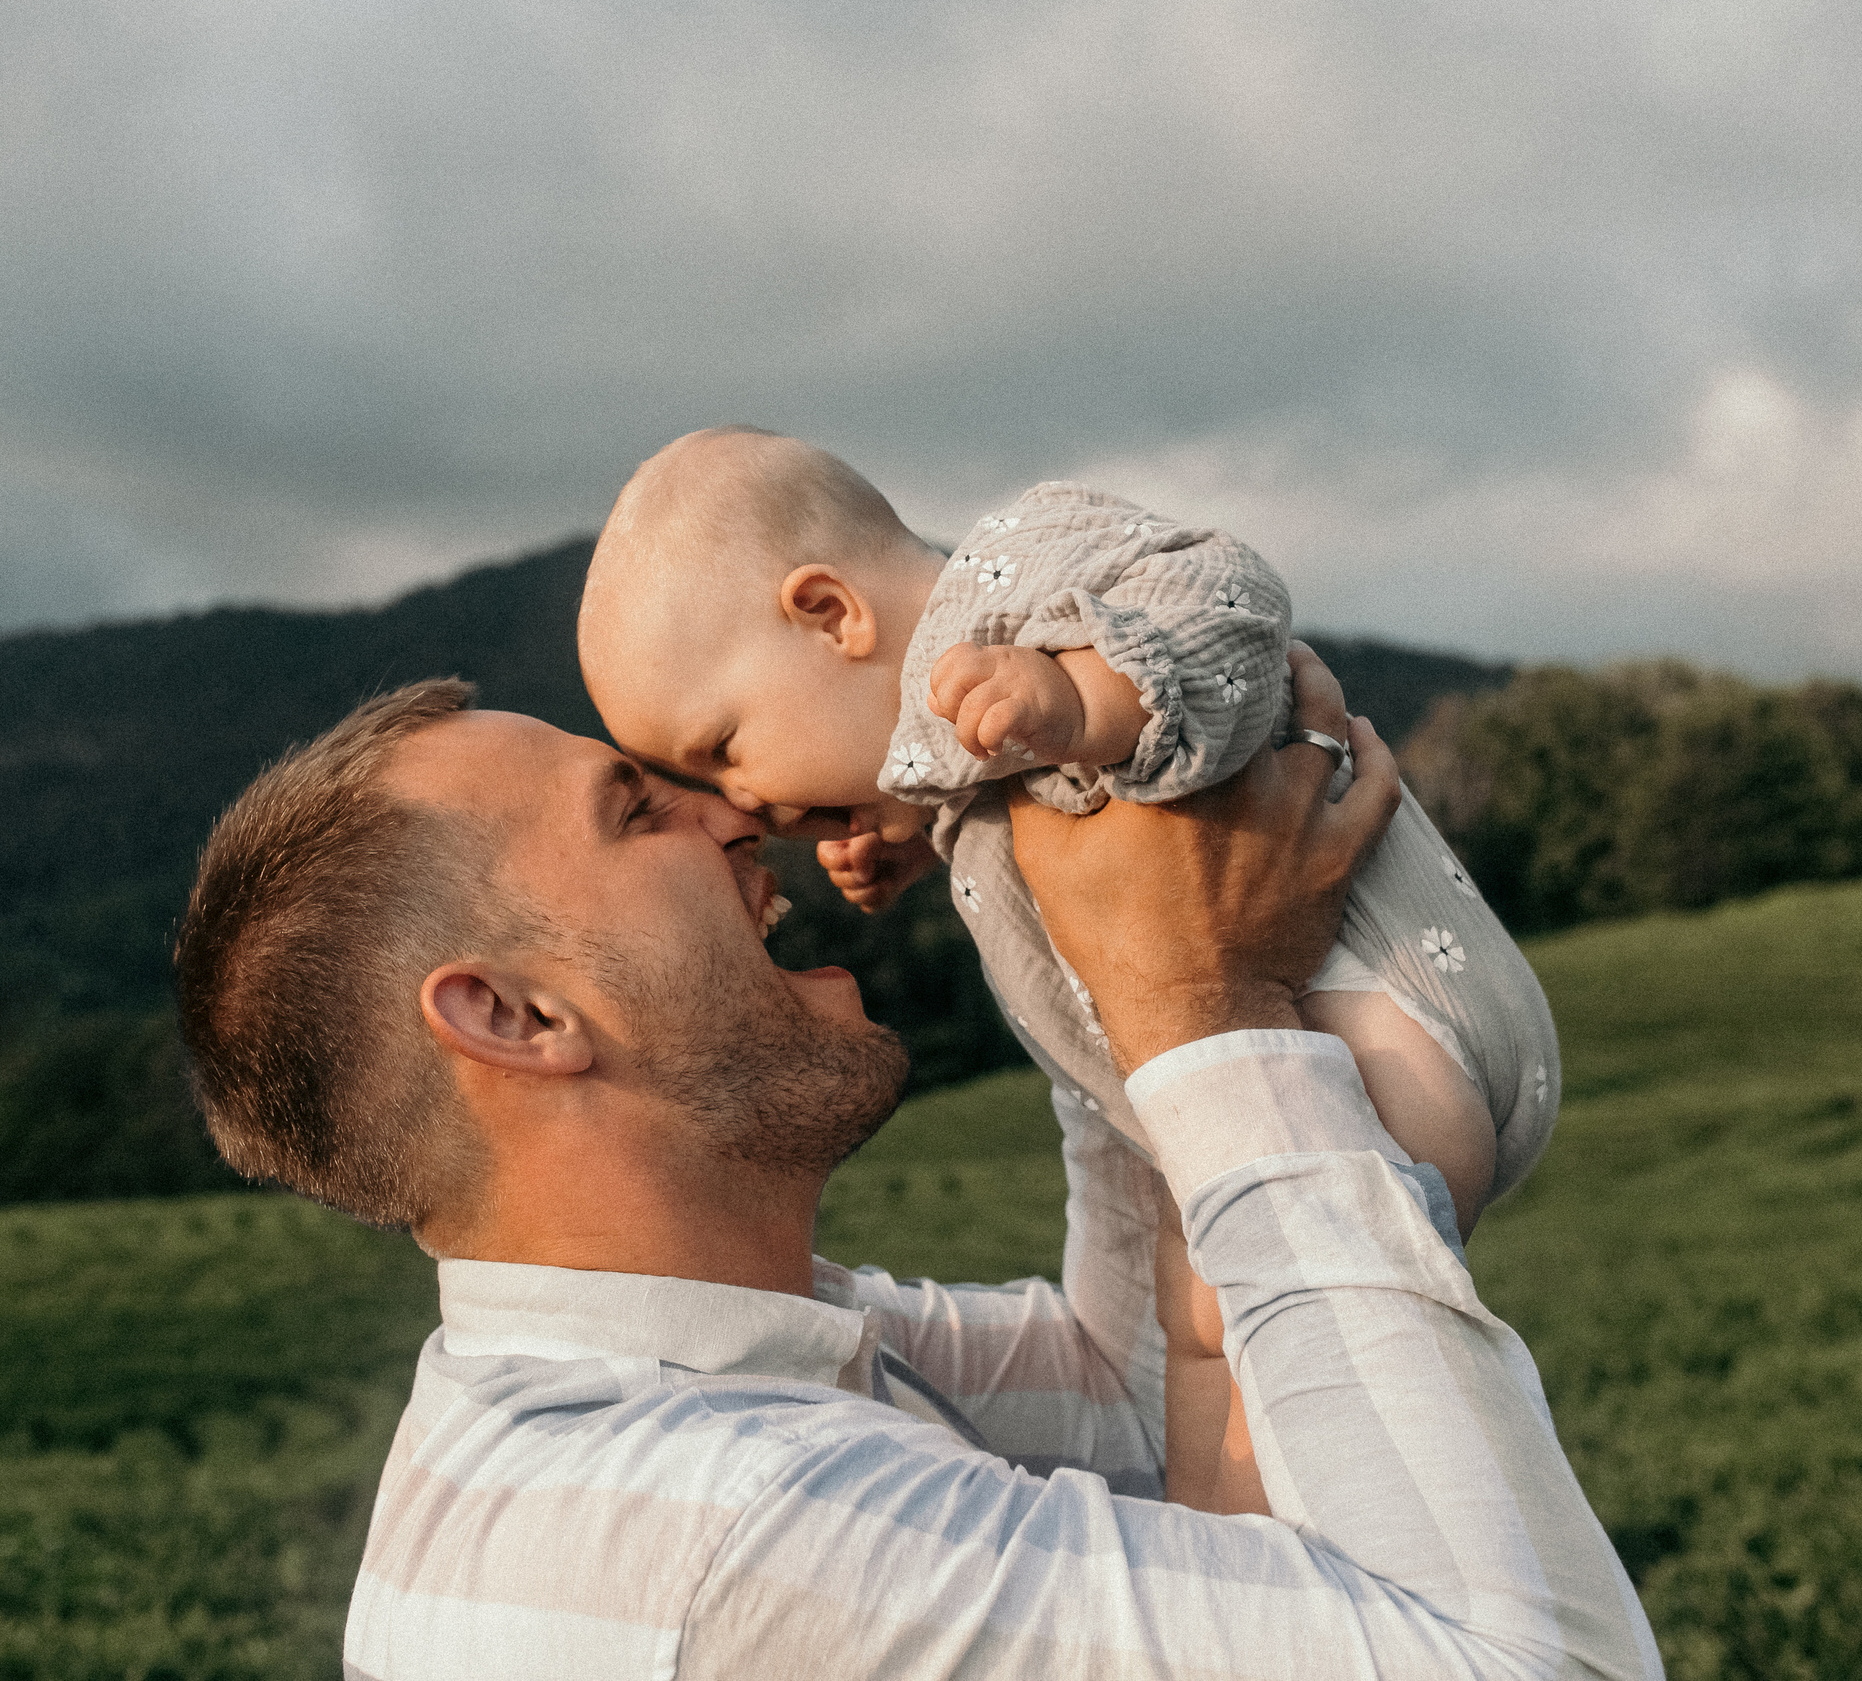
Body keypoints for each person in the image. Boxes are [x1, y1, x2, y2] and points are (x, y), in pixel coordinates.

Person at [170, 654, 1659, 1678]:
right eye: (639, 811)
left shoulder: (664, 1391)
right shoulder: (715, 1525)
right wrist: (1204, 1018)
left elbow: (1133, 1384)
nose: (741, 813)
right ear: (517, 1016)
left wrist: (1068, 917)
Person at [578, 426, 1561, 1510]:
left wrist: (1086, 700)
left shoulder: (1016, 574)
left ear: (828, 614)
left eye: (722, 745)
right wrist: (914, 827)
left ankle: (1295, 1559)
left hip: (1386, 1023)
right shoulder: (960, 741)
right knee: (1202, 1327)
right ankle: (1216, 1540)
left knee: (1255, 1314)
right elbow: (1009, 798)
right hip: (1273, 1074)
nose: (746, 803)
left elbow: (1224, 596)